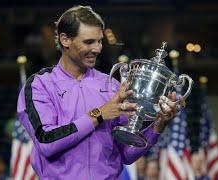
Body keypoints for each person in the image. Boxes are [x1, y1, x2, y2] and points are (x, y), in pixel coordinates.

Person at [17, 5, 185, 179]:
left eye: (99, 41)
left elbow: (127, 153)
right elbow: (46, 141)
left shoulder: (111, 85)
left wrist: (158, 125)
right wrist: (99, 114)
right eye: (88, 42)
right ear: (65, 39)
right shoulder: (40, 85)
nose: (97, 49)